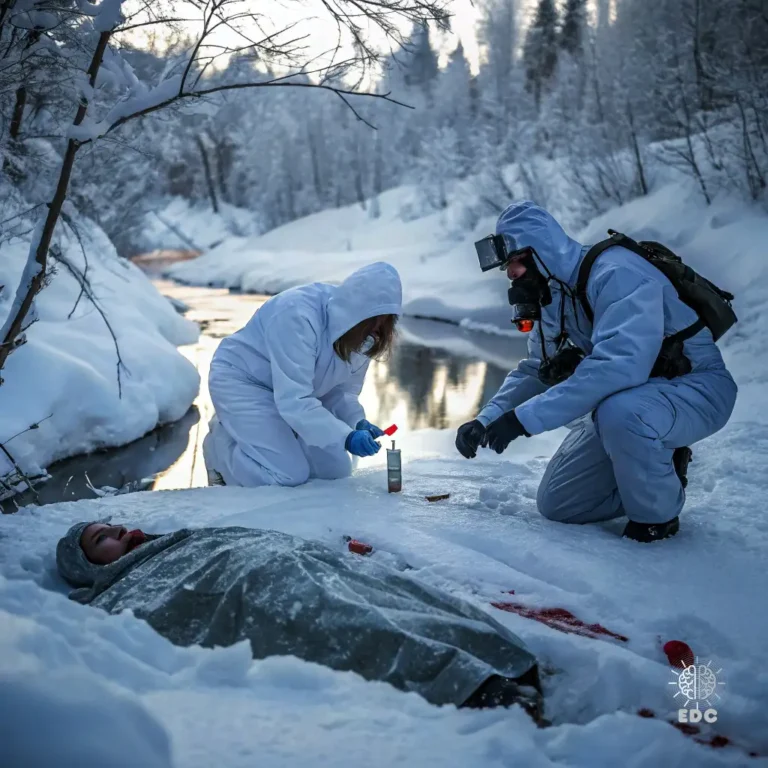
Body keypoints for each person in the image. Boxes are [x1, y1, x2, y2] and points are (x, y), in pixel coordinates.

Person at [55, 521, 544, 720]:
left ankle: (494, 648)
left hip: (280, 556)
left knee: (384, 592)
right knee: (331, 618)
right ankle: (470, 683)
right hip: (252, 580)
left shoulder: (179, 536)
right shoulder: (127, 585)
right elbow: (147, 613)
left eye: (111, 524)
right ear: (96, 567)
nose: (118, 531)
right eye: (104, 540)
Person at [456, 202, 737, 542]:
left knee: (620, 413)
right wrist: (486, 418)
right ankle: (650, 469)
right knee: (558, 503)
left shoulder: (616, 273)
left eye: (513, 262)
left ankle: (657, 516)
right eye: (506, 267)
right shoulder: (554, 295)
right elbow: (534, 369)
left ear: (538, 251)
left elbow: (617, 368)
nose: (510, 273)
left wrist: (522, 420)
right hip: (636, 402)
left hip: (695, 389)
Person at [203, 262, 401, 488]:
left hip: (293, 394)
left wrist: (355, 422)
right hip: (244, 383)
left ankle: (263, 439)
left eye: (383, 324)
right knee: (286, 475)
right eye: (372, 322)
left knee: (335, 473)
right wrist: (344, 437)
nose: (377, 331)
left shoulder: (364, 336)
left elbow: (341, 391)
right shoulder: (297, 315)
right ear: (355, 312)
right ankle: (221, 446)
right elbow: (294, 400)